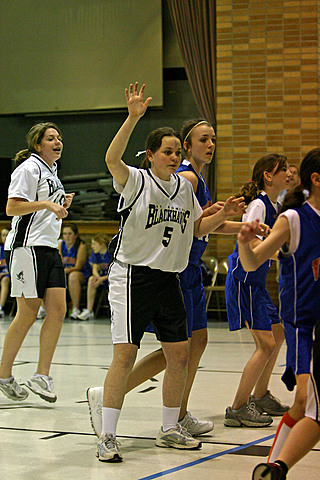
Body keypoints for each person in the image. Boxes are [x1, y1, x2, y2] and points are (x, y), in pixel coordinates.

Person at [95, 82, 247, 463]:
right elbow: (112, 159)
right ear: (150, 156)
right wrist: (132, 118)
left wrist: (224, 216)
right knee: (125, 356)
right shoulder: (135, 181)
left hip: (170, 278)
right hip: (133, 277)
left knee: (179, 355)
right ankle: (107, 434)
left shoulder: (184, 187)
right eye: (167, 151)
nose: (173, 156)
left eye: (176, 152)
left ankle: (168, 428)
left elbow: (197, 228)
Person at [234, 148, 320, 479]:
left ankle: (273, 469)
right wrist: (244, 241)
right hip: (306, 328)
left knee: (304, 407)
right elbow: (253, 261)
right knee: (307, 405)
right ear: (316, 179)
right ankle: (275, 468)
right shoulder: (294, 218)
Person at [0, 122, 74, 403]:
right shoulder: (28, 168)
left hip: (48, 247)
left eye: (59, 137)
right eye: (51, 138)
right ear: (37, 145)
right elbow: (12, 207)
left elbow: (45, 206)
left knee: (57, 310)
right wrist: (46, 204)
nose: (58, 142)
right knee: (28, 312)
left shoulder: (51, 172)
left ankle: (41, 376)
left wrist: (59, 202)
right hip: (26, 248)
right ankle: (3, 375)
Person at [224, 153, 292, 428]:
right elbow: (250, 247)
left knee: (278, 334)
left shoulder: (275, 205)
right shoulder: (257, 206)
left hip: (257, 284)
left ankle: (261, 395)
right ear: (268, 175)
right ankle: (237, 408)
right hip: (244, 281)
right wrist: (284, 255)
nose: (288, 173)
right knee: (265, 345)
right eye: (283, 169)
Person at [58, 222, 92, 319]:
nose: (67, 236)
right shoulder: (60, 245)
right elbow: (58, 263)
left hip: (81, 274)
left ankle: (75, 308)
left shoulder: (81, 246)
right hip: (65, 273)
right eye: (64, 234)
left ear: (76, 235)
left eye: (70, 234)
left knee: (73, 276)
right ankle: (45, 309)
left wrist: (64, 271)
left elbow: (78, 267)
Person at [77, 234, 112, 320]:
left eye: (94, 244)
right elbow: (94, 269)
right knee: (91, 279)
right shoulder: (95, 254)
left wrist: (102, 279)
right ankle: (89, 310)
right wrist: (98, 277)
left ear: (102, 245)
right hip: (101, 279)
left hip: (112, 279)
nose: (92, 246)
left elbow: (114, 272)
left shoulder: (111, 253)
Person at [0, 228, 10, 317]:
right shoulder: (0, 249)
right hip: (1, 273)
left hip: (9, 274)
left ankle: (0, 307)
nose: (5, 237)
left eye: (7, 235)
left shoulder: (13, 249)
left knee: (5, 280)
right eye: (3, 235)